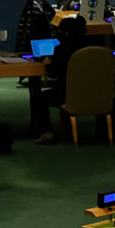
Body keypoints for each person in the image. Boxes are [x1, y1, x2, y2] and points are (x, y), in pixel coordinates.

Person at [32, 13, 90, 144]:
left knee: (39, 98)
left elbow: (53, 73)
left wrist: (47, 64)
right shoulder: (90, 47)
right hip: (91, 94)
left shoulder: (61, 49)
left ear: (66, 32)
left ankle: (46, 133)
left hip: (66, 95)